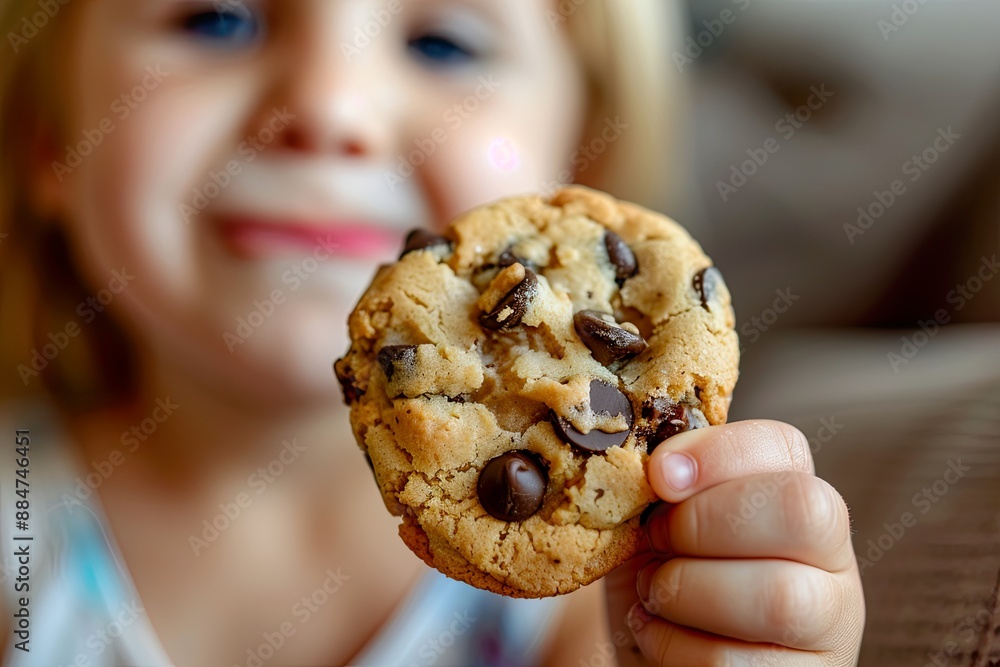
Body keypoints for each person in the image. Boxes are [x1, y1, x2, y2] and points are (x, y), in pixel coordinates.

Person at [0, 0, 864, 664]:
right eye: (218, 18)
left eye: (442, 41)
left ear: (580, 171)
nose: (329, 106)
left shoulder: (609, 603)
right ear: (50, 140)